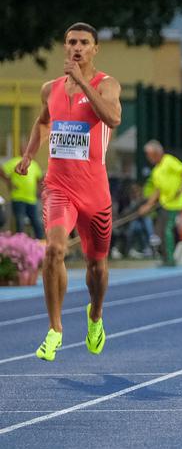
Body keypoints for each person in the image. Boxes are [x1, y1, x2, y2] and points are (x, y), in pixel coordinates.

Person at [17, 22, 122, 360]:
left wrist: (82, 84)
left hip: (95, 193)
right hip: (58, 187)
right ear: (65, 47)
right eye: (71, 42)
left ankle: (95, 316)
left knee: (97, 267)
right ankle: (55, 328)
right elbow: (43, 121)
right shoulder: (51, 88)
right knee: (54, 250)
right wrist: (29, 154)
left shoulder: (106, 84)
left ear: (95, 49)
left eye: (84, 42)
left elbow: (113, 118)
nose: (77, 47)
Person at [137, 140, 182, 266]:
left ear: (156, 153)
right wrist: (147, 206)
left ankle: (170, 260)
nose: (148, 157)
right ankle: (166, 257)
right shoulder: (156, 171)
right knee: (160, 230)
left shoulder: (169, 161)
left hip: (175, 202)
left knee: (167, 229)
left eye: (149, 154)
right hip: (165, 203)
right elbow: (157, 191)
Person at [1, 143, 44, 237]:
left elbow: (39, 178)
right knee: (20, 223)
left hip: (31, 199)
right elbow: (1, 170)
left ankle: (39, 245)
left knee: (37, 223)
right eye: (25, 149)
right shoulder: (15, 161)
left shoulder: (34, 164)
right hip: (18, 198)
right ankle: (20, 246)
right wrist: (9, 182)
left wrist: (41, 190)